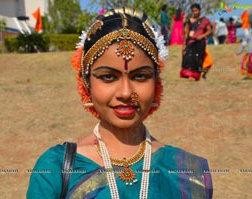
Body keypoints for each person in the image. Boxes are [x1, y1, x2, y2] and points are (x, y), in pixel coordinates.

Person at [27, 7, 213, 199]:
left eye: (140, 76)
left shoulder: (188, 172)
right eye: (108, 77)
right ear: (86, 82)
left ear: (156, 82)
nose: (125, 93)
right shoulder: (56, 169)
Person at [180, 3, 212, 81]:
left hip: (200, 43)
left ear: (199, 10)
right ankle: (189, 75)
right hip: (190, 42)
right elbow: (186, 32)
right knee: (189, 59)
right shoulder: (190, 20)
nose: (194, 12)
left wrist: (202, 36)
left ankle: (198, 75)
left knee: (198, 60)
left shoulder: (205, 20)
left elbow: (209, 31)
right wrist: (184, 43)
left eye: (196, 11)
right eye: (193, 11)